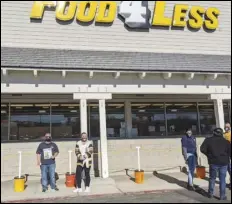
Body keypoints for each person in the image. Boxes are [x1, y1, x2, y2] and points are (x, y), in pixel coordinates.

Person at [200, 128, 231, 200]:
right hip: (224, 162)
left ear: (214, 133)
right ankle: (222, 196)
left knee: (212, 178)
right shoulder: (226, 142)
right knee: (222, 179)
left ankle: (210, 194)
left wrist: (209, 155)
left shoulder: (208, 140)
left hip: (213, 162)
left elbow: (202, 149)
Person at [224, 122, 231, 189]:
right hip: (225, 154)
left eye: (227, 126)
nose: (226, 128)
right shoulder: (224, 135)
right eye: (225, 126)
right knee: (228, 168)